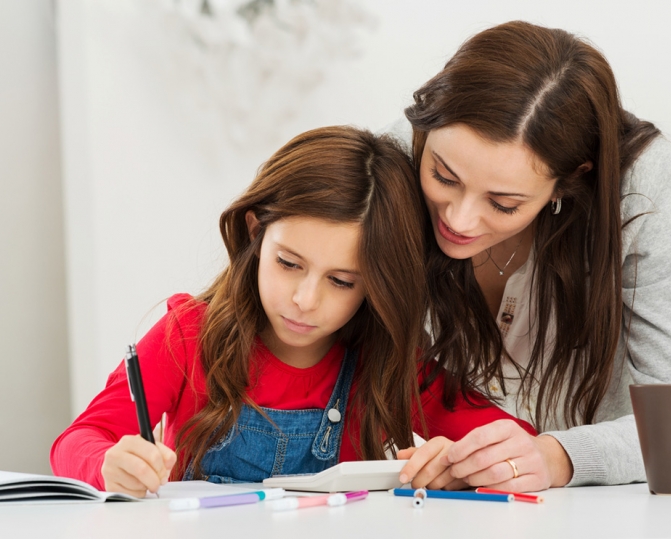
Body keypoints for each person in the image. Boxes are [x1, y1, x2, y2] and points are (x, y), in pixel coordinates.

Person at [50, 126, 535, 497]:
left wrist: (459, 463)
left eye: (342, 281)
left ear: (378, 287)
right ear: (256, 232)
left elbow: (517, 445)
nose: (305, 299)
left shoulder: (389, 362)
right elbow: (78, 440)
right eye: (288, 263)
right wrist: (110, 464)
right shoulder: (188, 335)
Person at [394, 21, 671, 491]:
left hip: (649, 359)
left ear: (569, 180)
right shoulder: (393, 159)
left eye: (504, 203)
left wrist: (555, 456)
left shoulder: (637, 184)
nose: (460, 221)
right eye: (444, 177)